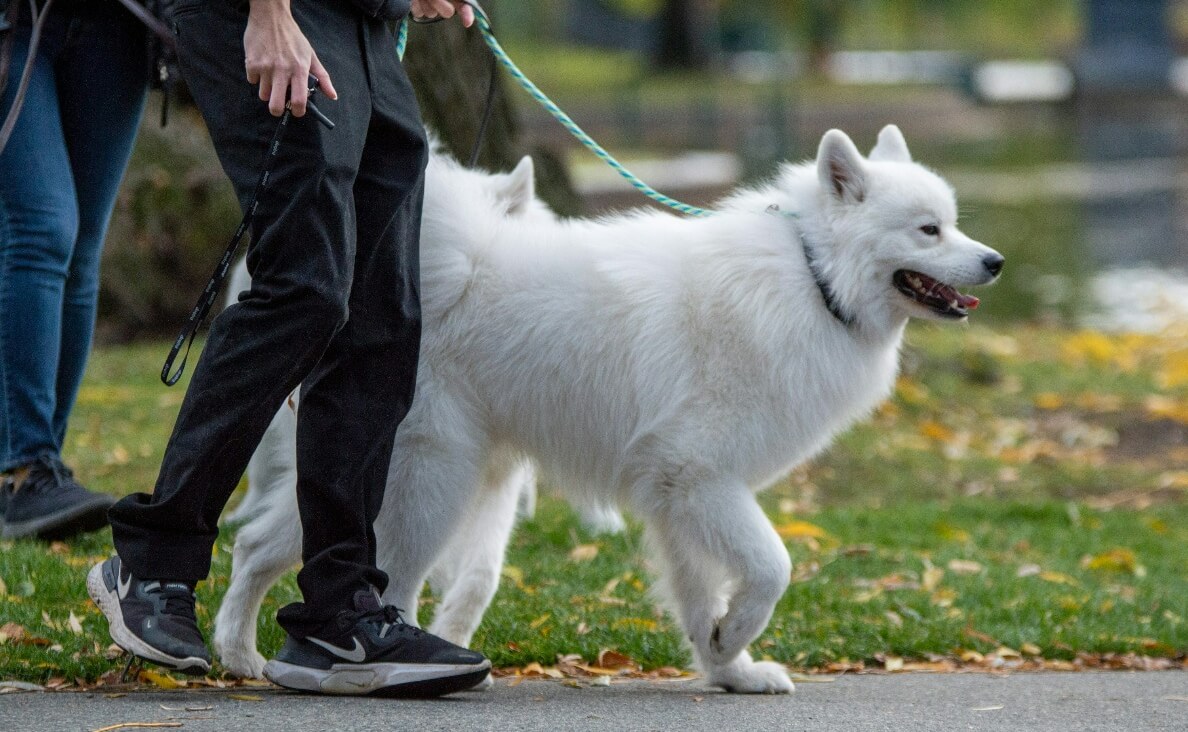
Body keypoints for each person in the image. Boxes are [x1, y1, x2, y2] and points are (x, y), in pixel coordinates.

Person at [87, 0, 491, 696]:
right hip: (269, 14)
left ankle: (339, 615)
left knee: (384, 317)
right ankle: (153, 562)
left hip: (360, 22)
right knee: (306, 288)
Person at [0, 0, 148, 540]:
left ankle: (40, 474)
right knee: (43, 228)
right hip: (15, 20)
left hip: (122, 23)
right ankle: (24, 467)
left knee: (82, 248)